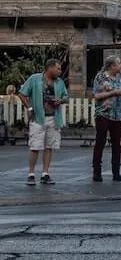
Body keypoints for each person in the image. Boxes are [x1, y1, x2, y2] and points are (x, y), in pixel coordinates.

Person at [18, 58, 68, 186]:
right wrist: (29, 107)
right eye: (58, 68)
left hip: (53, 117)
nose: (60, 71)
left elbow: (65, 97)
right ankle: (31, 174)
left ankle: (45, 173)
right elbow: (22, 94)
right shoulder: (35, 79)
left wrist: (61, 100)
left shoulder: (59, 82)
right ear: (49, 68)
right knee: (35, 146)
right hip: (38, 118)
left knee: (49, 146)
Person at [91, 55, 121, 182]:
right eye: (119, 64)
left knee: (117, 144)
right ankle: (97, 172)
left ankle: (116, 172)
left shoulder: (119, 77)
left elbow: (120, 90)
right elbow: (97, 95)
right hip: (104, 113)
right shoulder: (100, 77)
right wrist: (114, 92)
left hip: (116, 114)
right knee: (100, 142)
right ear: (112, 66)